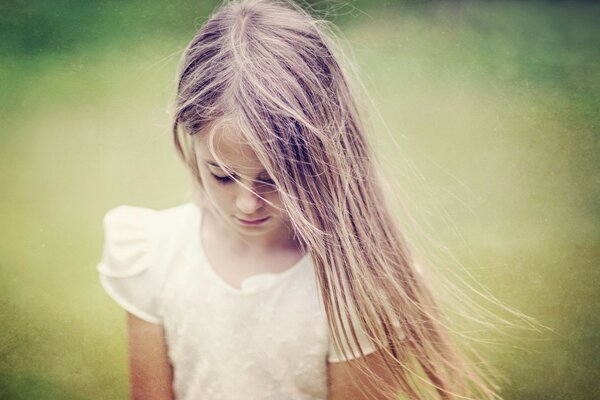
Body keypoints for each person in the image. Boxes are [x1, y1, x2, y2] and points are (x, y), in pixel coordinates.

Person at [97, 0, 501, 399]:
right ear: (189, 133)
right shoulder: (152, 253)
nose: (247, 204)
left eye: (274, 180)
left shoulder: (358, 284)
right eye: (222, 175)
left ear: (326, 153)